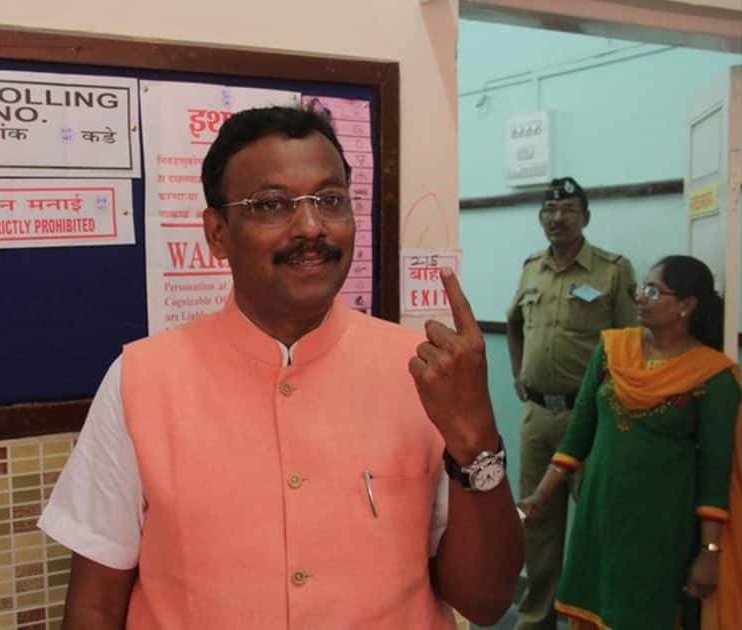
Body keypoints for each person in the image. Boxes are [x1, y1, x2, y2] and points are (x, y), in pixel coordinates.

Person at [38, 105, 523, 629]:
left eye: (331, 200)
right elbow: (95, 605)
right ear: (218, 233)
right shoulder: (142, 380)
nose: (311, 226)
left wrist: (477, 438)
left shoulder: (422, 374)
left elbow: (486, 601)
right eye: (272, 205)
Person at [517, 255, 741, 630]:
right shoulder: (612, 351)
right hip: (601, 515)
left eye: (654, 291)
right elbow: (579, 432)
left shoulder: (712, 376)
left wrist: (709, 552)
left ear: (687, 305)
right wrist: (542, 494)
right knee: (594, 609)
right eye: (642, 288)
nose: (641, 297)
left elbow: (715, 470)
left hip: (662, 527)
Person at [505, 176, 637, 630]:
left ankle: (592, 617)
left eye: (568, 211)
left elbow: (629, 345)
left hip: (593, 419)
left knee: (597, 523)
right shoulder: (531, 267)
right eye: (549, 211)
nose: (557, 219)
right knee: (536, 522)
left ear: (585, 216)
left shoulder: (612, 270)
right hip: (538, 417)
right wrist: (519, 376)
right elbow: (514, 324)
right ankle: (535, 618)